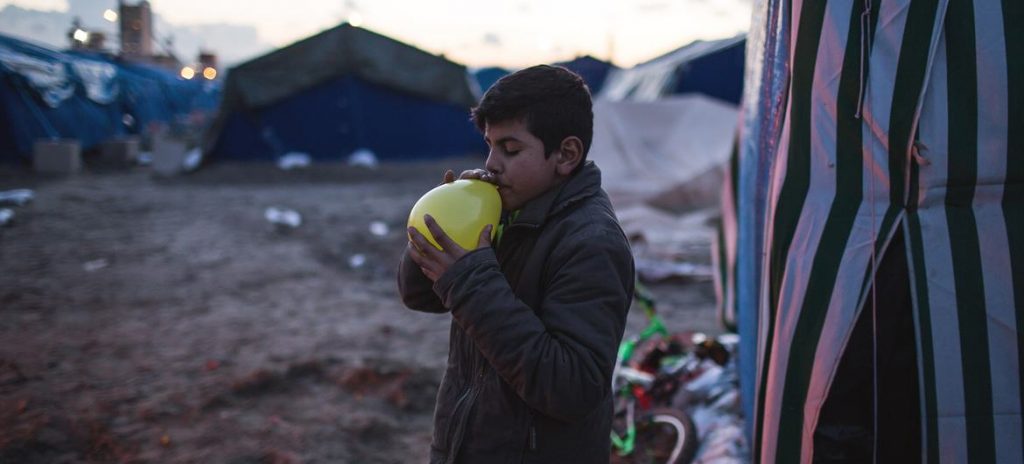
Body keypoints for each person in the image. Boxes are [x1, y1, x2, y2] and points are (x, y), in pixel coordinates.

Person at [397, 65, 635, 463]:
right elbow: (419, 296)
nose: (492, 163)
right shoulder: (505, 209)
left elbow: (572, 387)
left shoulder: (592, 243)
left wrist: (472, 282)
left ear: (566, 154)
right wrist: (446, 222)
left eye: (510, 150)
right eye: (489, 146)